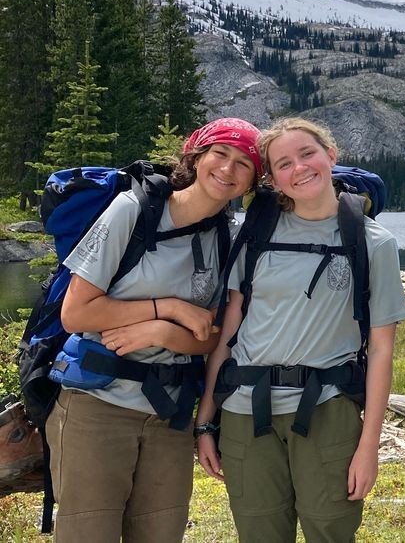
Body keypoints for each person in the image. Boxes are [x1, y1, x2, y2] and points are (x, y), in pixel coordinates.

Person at [47, 117, 262, 541]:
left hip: (170, 412)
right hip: (97, 403)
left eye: (244, 164)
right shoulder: (134, 211)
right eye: (220, 154)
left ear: (253, 181)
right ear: (196, 157)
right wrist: (167, 309)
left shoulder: (226, 238)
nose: (228, 169)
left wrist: (161, 334)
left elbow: (213, 336)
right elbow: (76, 314)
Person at [194, 117, 405, 543]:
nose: (300, 168)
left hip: (327, 410)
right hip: (244, 411)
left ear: (330, 155)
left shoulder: (373, 242)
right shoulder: (255, 234)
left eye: (307, 154)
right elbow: (228, 334)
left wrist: (369, 447)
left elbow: (383, 351)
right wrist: (205, 420)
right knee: (259, 533)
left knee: (331, 532)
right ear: (272, 179)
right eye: (284, 163)